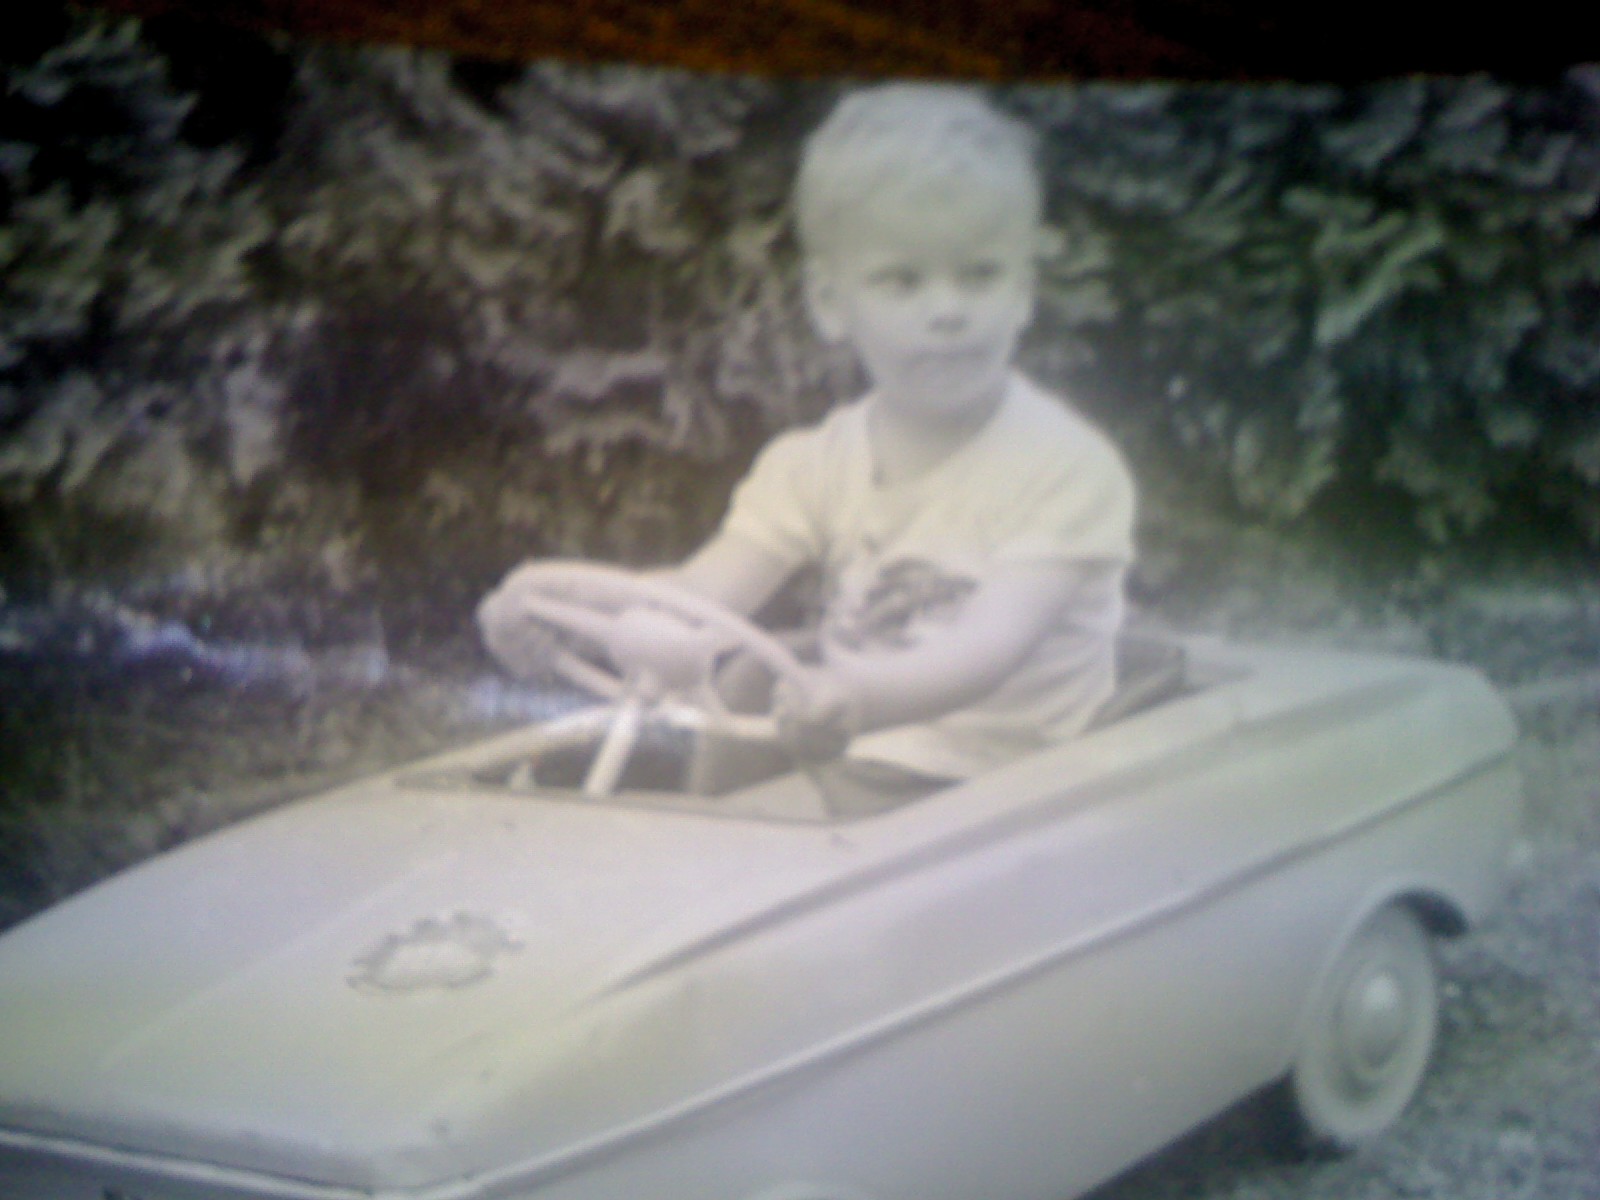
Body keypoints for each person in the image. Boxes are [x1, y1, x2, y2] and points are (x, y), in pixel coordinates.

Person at [479, 84, 1136, 813]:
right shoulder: (812, 462)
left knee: (724, 837)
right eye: (902, 281)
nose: (948, 311)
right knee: (735, 710)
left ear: (1024, 292)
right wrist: (567, 606)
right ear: (830, 302)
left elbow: (986, 651)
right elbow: (703, 597)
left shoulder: (1065, 466)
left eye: (981, 274)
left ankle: (720, 842)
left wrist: (857, 695)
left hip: (993, 773)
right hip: (852, 743)